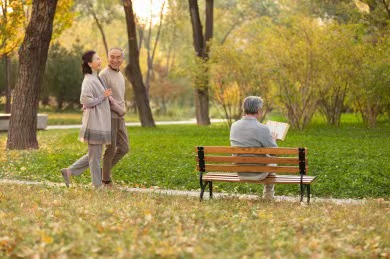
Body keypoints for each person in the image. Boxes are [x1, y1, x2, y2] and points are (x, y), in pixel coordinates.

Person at [61, 50, 112, 188]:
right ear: (90, 63)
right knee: (95, 157)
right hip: (93, 122)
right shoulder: (88, 80)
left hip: (99, 121)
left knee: (95, 155)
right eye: (97, 59)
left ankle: (69, 171)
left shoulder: (97, 78)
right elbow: (86, 101)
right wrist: (103, 96)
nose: (100, 61)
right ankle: (97, 186)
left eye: (100, 58)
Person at [229, 96, 278, 200]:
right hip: (259, 173)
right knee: (272, 159)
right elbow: (274, 152)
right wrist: (273, 139)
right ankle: (268, 195)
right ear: (258, 110)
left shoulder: (234, 126)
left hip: (240, 171)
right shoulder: (262, 128)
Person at [99, 47, 130, 187]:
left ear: (122, 60)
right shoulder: (103, 74)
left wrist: (123, 109)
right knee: (110, 149)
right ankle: (105, 180)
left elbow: (119, 97)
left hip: (120, 117)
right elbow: (104, 98)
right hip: (110, 117)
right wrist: (119, 109)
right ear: (108, 57)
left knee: (124, 148)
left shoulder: (120, 75)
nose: (115, 60)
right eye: (112, 56)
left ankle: (103, 172)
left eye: (118, 57)